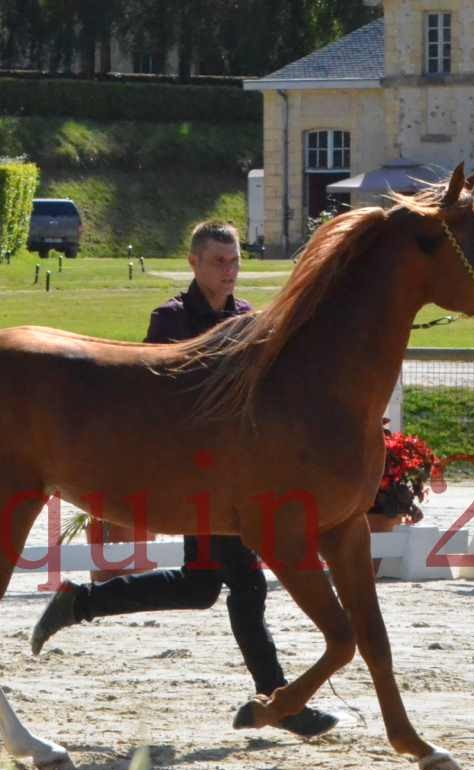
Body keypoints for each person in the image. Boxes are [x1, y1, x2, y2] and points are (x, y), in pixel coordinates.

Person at [29, 220, 338, 739]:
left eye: (235, 260)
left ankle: (81, 602)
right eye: (219, 261)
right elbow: (155, 401)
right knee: (244, 583)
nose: (230, 270)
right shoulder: (169, 320)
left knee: (201, 587)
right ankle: (279, 700)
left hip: (231, 479)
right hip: (188, 478)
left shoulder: (249, 320)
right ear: (193, 263)